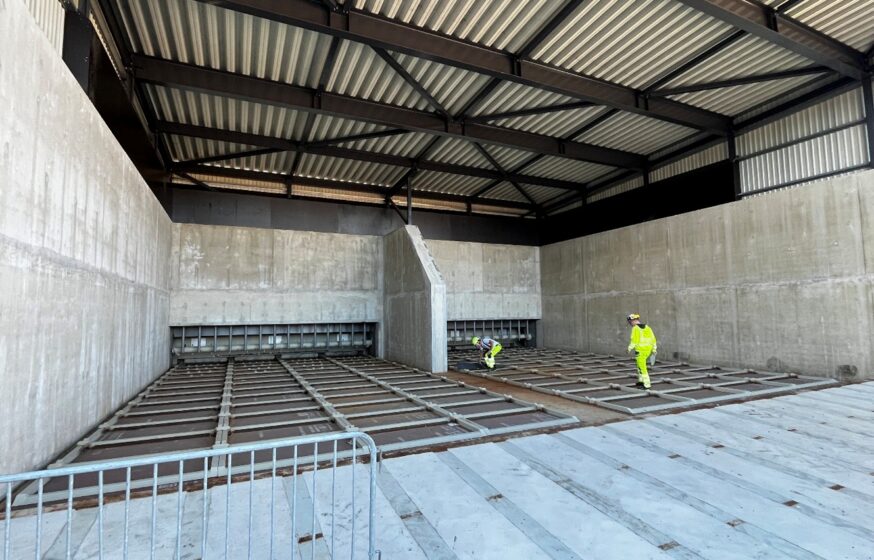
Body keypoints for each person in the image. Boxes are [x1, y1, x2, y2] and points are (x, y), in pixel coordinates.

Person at [626, 313, 657, 389]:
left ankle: (646, 384)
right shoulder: (647, 327)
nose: (630, 323)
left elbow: (634, 341)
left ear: (633, 321)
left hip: (640, 351)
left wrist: (629, 348)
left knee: (642, 367)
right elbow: (653, 339)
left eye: (630, 322)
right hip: (648, 350)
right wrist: (654, 349)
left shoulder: (635, 328)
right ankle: (641, 381)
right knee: (640, 366)